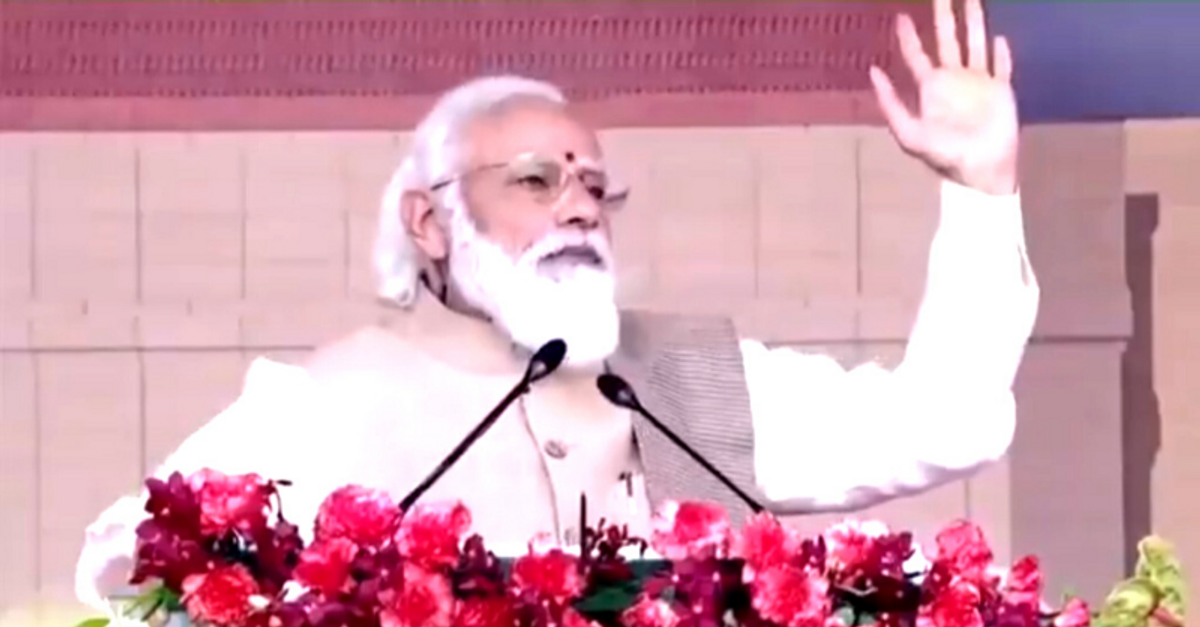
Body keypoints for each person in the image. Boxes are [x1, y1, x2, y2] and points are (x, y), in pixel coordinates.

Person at [75, 0, 1038, 610]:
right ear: (431, 220)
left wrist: (983, 188)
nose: (578, 203)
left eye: (593, 185)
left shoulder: (689, 381)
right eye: (535, 180)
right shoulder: (322, 402)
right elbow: (124, 559)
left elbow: (946, 420)